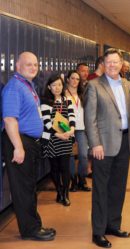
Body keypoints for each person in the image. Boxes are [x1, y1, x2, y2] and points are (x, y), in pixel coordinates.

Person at [84, 48, 130, 248]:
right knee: (101, 188)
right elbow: (89, 118)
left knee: (118, 187)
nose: (112, 65)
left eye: (116, 62)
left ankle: (113, 224)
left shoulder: (128, 85)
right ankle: (98, 231)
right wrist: (95, 144)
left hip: (124, 143)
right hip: (103, 145)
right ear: (103, 64)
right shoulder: (94, 86)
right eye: (108, 62)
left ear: (121, 64)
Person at [2, 51, 56, 241]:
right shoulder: (14, 87)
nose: (33, 68)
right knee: (23, 189)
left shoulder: (27, 85)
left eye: (35, 65)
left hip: (28, 141)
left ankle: (34, 225)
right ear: (18, 66)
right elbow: (9, 119)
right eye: (28, 64)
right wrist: (18, 147)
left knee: (29, 187)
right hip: (18, 141)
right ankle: (31, 229)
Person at [40, 74, 75, 206]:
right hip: (52, 139)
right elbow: (47, 122)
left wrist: (71, 129)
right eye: (54, 85)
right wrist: (58, 134)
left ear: (62, 86)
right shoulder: (46, 102)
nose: (57, 88)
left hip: (65, 139)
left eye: (59, 85)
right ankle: (59, 191)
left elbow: (72, 117)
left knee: (65, 168)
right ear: (49, 87)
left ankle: (65, 194)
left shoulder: (67, 100)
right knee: (54, 168)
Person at [65, 70, 91, 192]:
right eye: (73, 78)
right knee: (70, 156)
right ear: (67, 79)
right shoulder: (63, 94)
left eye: (77, 79)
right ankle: (73, 181)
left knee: (83, 155)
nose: (75, 81)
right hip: (68, 129)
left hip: (81, 129)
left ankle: (82, 179)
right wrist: (66, 130)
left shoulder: (82, 94)